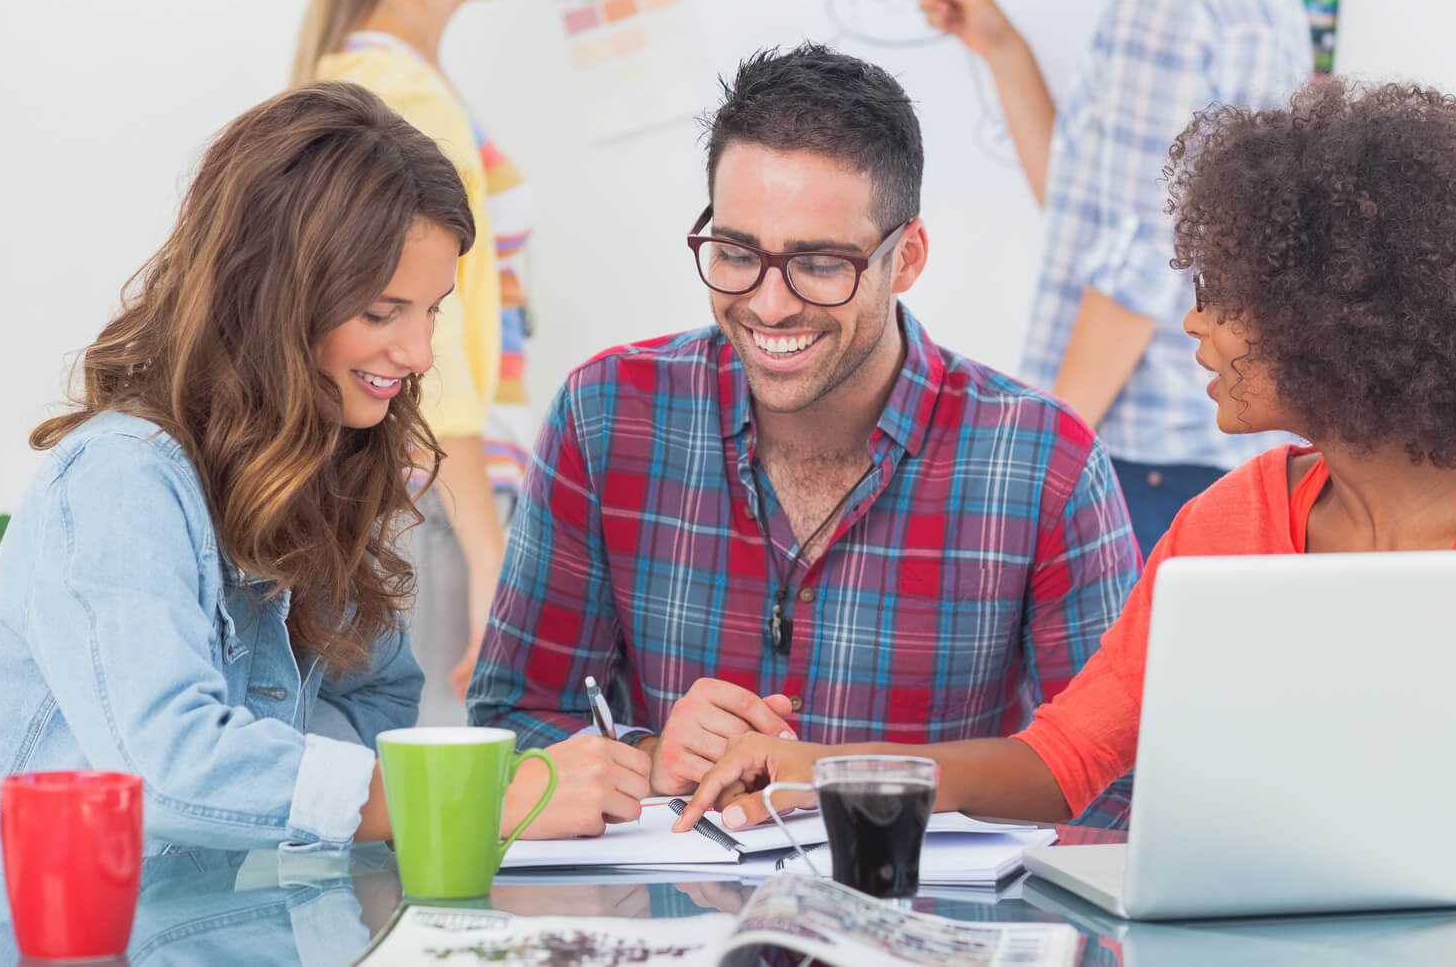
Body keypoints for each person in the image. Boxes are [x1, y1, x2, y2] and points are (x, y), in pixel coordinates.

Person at [677, 79, 1456, 830]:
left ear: (1337, 317)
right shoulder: (1227, 522)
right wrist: (835, 769)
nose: (1193, 323)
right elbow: (1062, 762)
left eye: (1225, 292)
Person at [468, 44, 1142, 832]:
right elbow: (509, 730)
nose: (770, 303)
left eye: (820, 264)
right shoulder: (605, 415)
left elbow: (1115, 785)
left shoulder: (1044, 463)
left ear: (908, 258)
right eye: (736, 252)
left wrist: (854, 778)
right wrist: (648, 756)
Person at [0, 83, 471, 878]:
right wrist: (456, 798)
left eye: (432, 310)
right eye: (384, 312)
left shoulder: (322, 469)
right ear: (275, 300)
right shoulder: (120, 477)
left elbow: (376, 702)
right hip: (27, 931)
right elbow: (167, 765)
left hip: (193, 931)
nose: (421, 352)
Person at [900, 0, 1312, 554]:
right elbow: (1090, 204)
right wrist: (1004, 49)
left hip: (1142, 450)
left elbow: (1143, 254)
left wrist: (1048, 456)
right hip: (1214, 439)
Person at [292, 0, 535, 715]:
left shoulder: (374, 73)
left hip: (404, 481)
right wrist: (486, 547)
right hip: (427, 490)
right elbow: (432, 343)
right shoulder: (399, 95)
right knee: (434, 784)